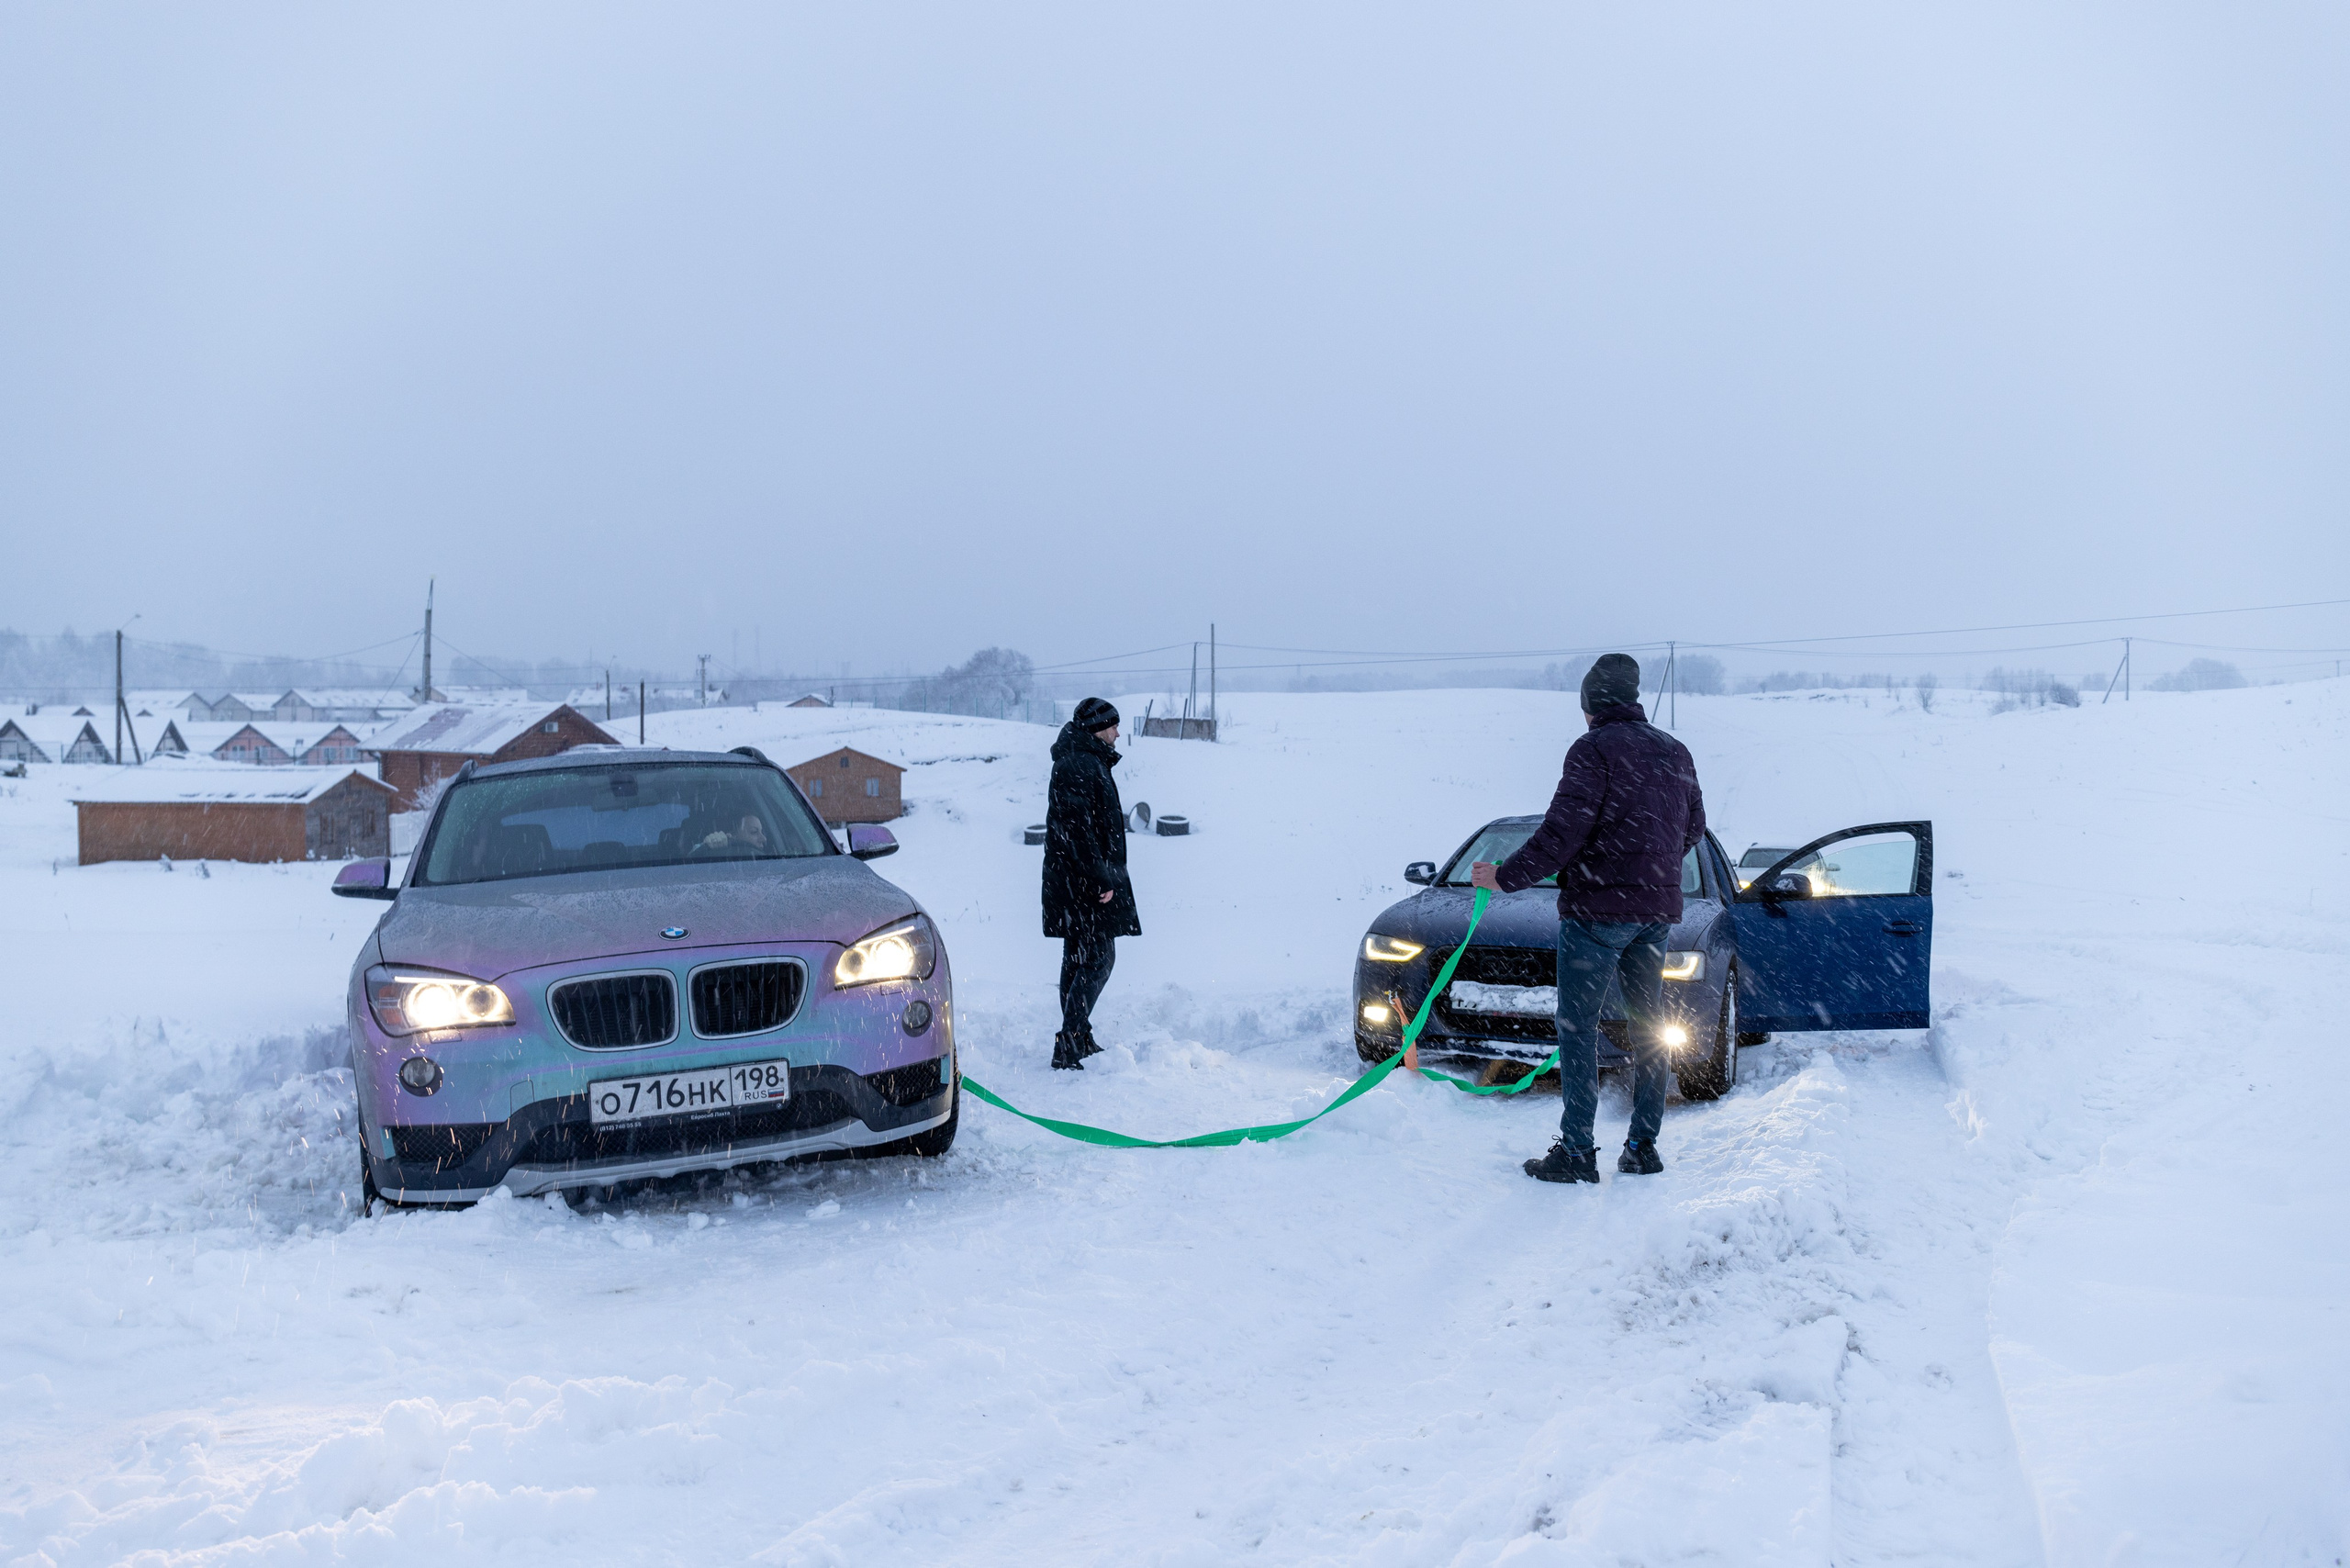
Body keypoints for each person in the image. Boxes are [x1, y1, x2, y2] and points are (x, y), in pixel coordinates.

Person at [1471, 653, 1706, 1184]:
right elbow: (1692, 831)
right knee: (1650, 1028)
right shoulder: (1676, 751)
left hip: (1597, 911)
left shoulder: (1592, 749)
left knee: (1579, 1029)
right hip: (1655, 913)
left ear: (1591, 704)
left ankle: (1577, 1151)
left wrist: (1503, 877)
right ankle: (1642, 1148)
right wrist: (1649, 859)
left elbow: (1561, 835)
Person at [1042, 696, 1139, 1070]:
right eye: (1113, 726)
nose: (1117, 732)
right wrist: (1101, 878)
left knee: (1079, 956)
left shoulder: (1084, 760)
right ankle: (1070, 1041)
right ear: (1097, 729)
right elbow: (1079, 830)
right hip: (1081, 881)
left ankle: (1077, 1037)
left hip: (1072, 879)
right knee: (1098, 957)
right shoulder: (1080, 763)